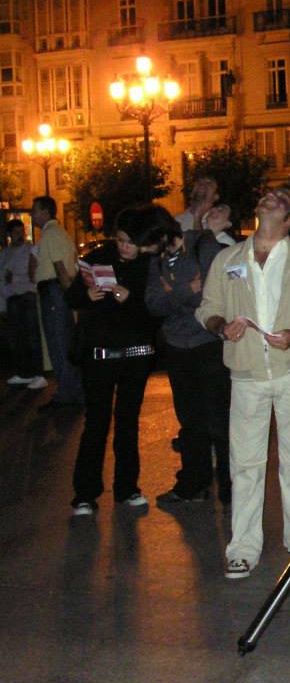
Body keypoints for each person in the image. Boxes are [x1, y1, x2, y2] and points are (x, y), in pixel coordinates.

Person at [196, 184, 290, 579]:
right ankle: (242, 548)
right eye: (267, 195)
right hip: (245, 377)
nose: (269, 198)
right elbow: (208, 309)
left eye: (281, 200)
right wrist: (222, 327)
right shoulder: (228, 259)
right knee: (244, 464)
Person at [65, 205, 172, 516]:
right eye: (121, 239)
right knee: (96, 421)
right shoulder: (99, 256)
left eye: (130, 241)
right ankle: (85, 494)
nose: (125, 247)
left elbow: (156, 311)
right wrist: (88, 297)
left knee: (128, 421)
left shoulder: (151, 264)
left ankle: (127, 488)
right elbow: (71, 296)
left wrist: (132, 299)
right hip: (99, 354)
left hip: (135, 354)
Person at [146, 221, 231, 506]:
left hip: (208, 343)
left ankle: (231, 488)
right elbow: (154, 304)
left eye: (147, 244)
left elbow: (208, 296)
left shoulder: (203, 246)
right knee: (190, 421)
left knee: (220, 420)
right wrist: (184, 290)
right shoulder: (155, 260)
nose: (144, 250)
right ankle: (194, 484)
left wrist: (173, 293)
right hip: (177, 346)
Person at [31, 195, 83, 408]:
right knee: (62, 342)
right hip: (56, 293)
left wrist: (69, 296)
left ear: (45, 212)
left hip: (54, 293)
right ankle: (69, 391)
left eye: (35, 211)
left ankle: (67, 394)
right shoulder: (56, 234)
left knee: (59, 343)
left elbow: (61, 268)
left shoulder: (51, 235)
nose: (32, 215)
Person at [2, 219, 46, 389]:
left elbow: (31, 274)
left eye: (22, 232)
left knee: (31, 336)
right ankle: (24, 372)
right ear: (9, 234)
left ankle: (37, 373)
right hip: (12, 298)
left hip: (27, 296)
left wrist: (16, 278)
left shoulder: (29, 250)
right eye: (16, 233)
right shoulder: (5, 253)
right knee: (17, 338)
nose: (20, 236)